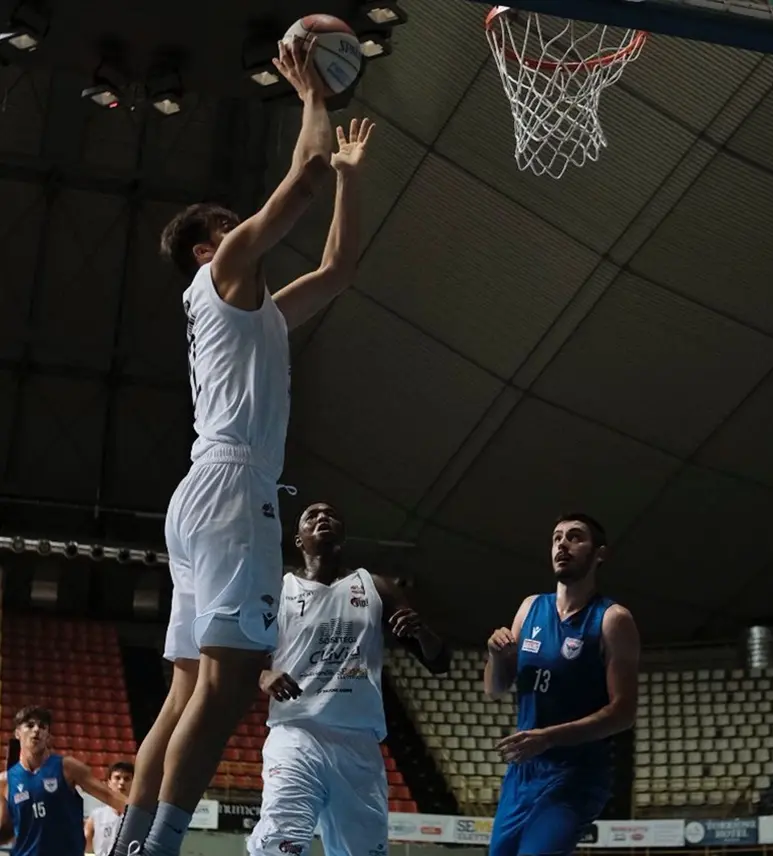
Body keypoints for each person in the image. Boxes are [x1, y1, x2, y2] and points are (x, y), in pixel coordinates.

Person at [109, 37, 376, 856]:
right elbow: (299, 180)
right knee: (225, 690)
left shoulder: (256, 315)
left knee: (185, 691)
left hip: (204, 490)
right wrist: (312, 95)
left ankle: (130, 845)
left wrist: (350, 179)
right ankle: (160, 847)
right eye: (230, 225)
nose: (244, 230)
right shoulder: (223, 269)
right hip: (232, 489)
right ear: (207, 248)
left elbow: (338, 268)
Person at [247, 501, 450, 856]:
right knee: (280, 842)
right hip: (297, 734)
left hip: (358, 743)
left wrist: (422, 632)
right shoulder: (279, 590)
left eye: (331, 514)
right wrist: (263, 674)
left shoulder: (376, 586)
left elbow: (439, 662)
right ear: (298, 539)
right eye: (312, 515)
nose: (322, 517)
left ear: (343, 535)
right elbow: (247, 657)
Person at [484, 513, 640, 856]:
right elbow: (495, 688)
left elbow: (624, 713)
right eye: (556, 538)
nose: (562, 544)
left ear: (599, 554)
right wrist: (496, 656)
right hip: (523, 772)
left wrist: (550, 737)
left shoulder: (613, 619)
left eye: (575, 537)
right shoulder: (529, 608)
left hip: (577, 771)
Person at [0, 706, 126, 856]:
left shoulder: (67, 767)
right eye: (30, 725)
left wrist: (145, 818)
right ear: (17, 733)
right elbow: (6, 830)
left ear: (48, 736)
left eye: (42, 726)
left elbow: (110, 796)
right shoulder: (5, 781)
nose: (36, 730)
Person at [85, 762, 135, 856]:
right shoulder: (97, 815)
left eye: (127, 779)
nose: (122, 782)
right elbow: (87, 846)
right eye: (117, 778)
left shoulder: (138, 817)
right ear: (109, 782)